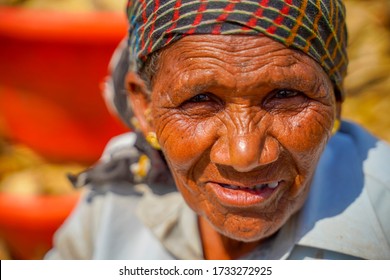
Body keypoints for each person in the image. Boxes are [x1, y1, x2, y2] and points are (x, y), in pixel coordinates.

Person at [46, 0, 390, 260]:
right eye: (200, 100)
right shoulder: (117, 196)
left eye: (285, 96)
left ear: (336, 102)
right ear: (145, 109)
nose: (245, 156)